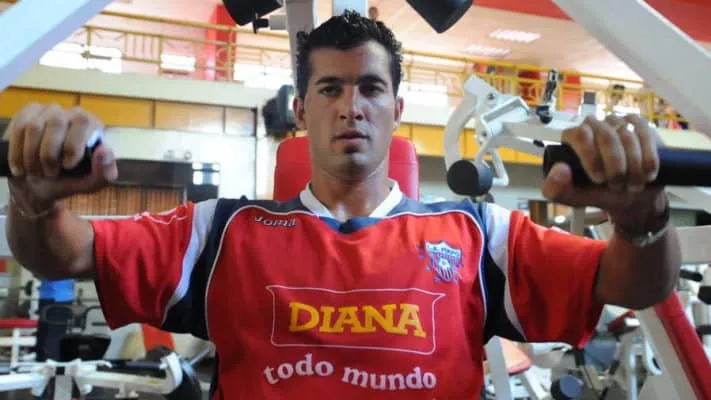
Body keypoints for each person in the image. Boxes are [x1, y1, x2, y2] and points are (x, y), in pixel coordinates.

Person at [3, 10, 680, 399]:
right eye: (330, 89)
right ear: (301, 111)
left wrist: (641, 218)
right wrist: (33, 203)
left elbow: (631, 283)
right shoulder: (221, 232)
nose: (351, 106)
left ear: (397, 108)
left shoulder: (475, 233)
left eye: (370, 88)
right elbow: (68, 253)